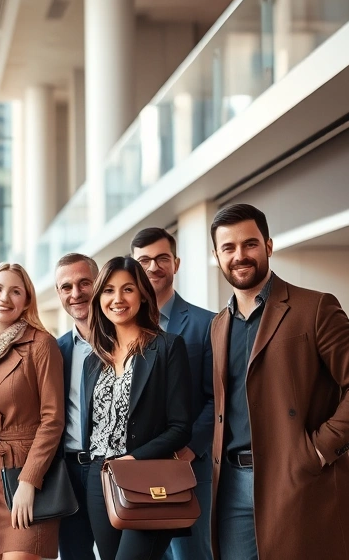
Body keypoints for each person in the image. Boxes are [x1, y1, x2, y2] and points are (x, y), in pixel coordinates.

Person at [208, 204, 349, 560]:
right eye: (228, 248)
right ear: (216, 256)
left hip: (296, 478)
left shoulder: (315, 308)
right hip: (230, 487)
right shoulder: (218, 326)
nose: (240, 255)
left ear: (269, 246)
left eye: (250, 244)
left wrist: (317, 451)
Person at [82, 256, 192, 560]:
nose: (117, 299)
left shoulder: (167, 347)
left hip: (147, 476)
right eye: (108, 290)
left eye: (127, 289)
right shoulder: (94, 360)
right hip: (99, 476)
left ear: (143, 295)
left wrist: (133, 458)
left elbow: (180, 427)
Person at [0, 262, 65, 560]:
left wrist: (29, 482)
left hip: (29, 474)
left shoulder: (42, 344)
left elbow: (52, 420)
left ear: (26, 301)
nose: (4, 297)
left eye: (15, 291)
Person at [130, 228, 214, 560]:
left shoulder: (207, 325)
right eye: (144, 260)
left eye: (162, 258)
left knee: (191, 554)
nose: (153, 267)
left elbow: (216, 396)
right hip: (133, 466)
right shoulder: (118, 328)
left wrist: (190, 449)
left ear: (176, 263)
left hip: (187, 464)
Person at [52, 253, 98, 560]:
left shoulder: (126, 345)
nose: (75, 293)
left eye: (84, 283)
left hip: (113, 469)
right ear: (58, 294)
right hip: (67, 472)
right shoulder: (56, 350)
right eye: (66, 287)